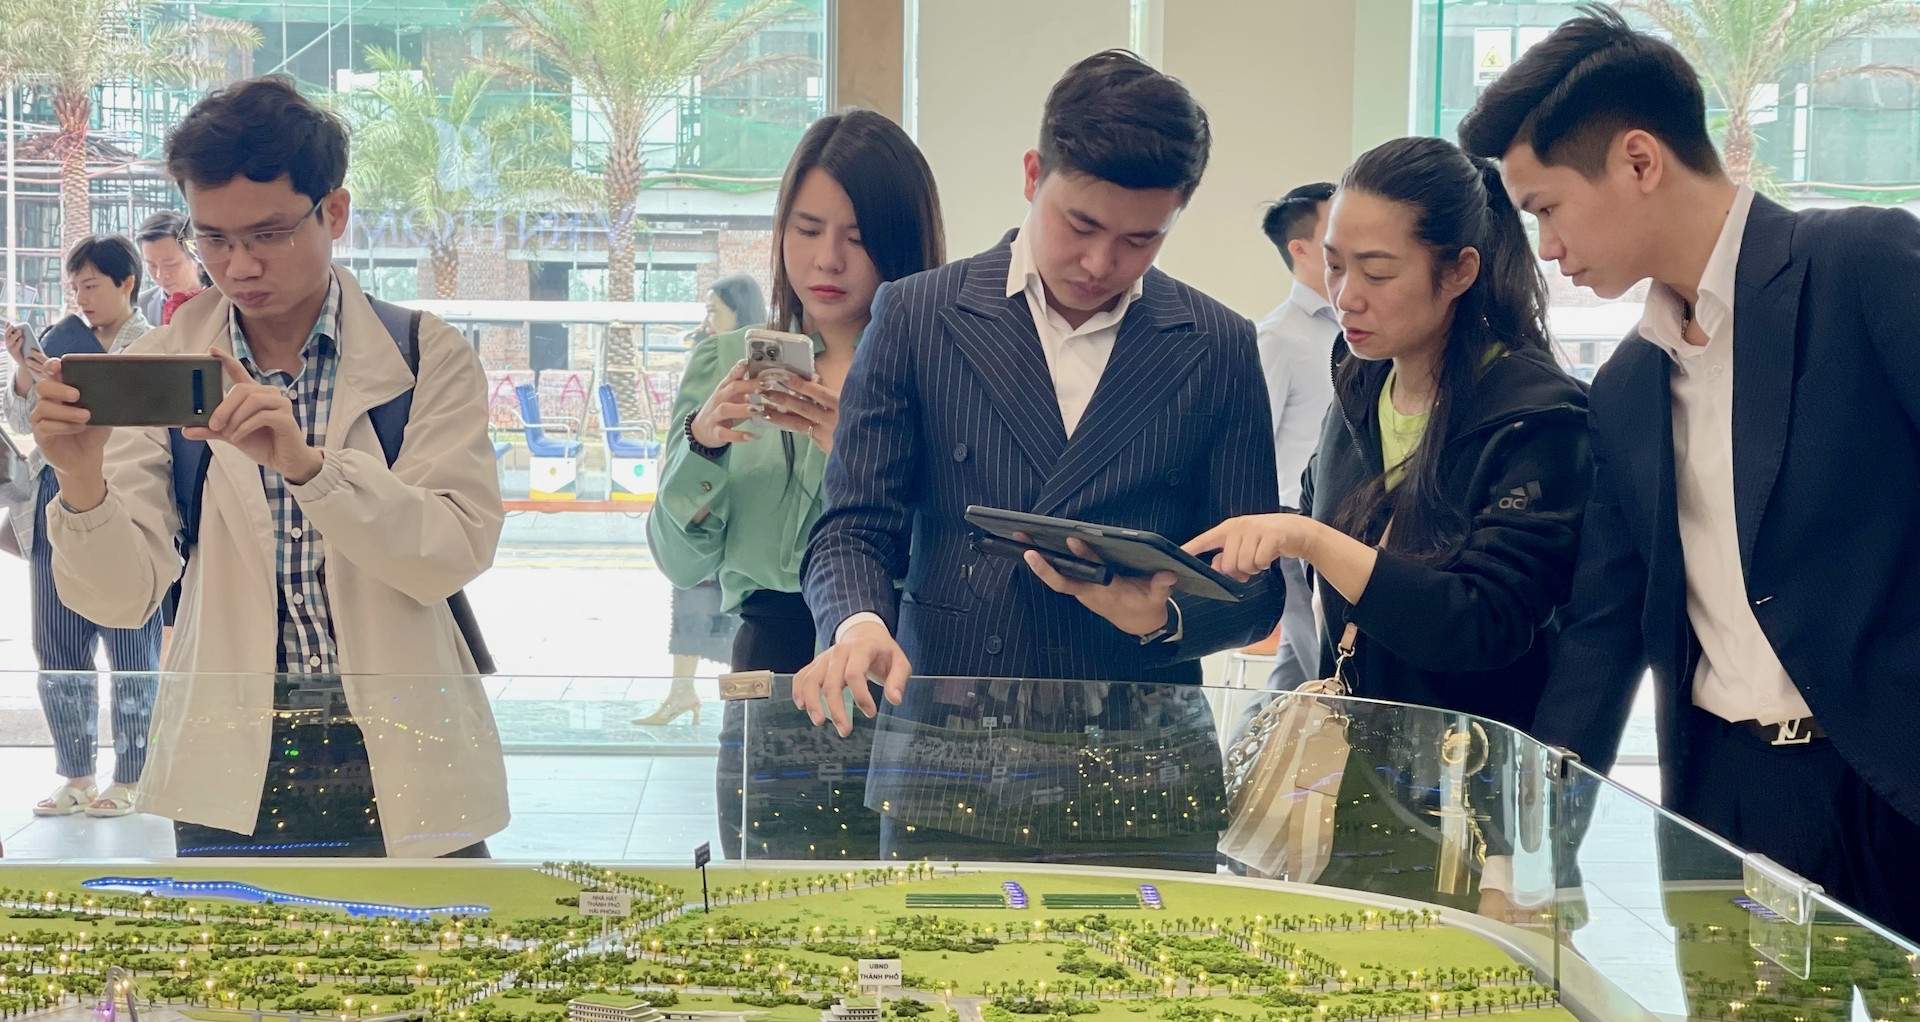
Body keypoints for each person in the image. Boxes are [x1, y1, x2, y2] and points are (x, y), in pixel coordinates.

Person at [1460, 4, 1920, 936]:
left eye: (1546, 207)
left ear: (1639, 161)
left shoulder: (1859, 266)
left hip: (1898, 783)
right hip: (1734, 802)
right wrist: (1534, 847)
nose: (1545, 247)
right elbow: (1603, 630)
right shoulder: (1628, 384)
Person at [795, 50, 1285, 870]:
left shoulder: (1217, 344)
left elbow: (1255, 589)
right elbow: (851, 526)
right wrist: (860, 622)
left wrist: (1159, 617)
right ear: (1033, 175)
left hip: (1143, 774)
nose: (1100, 264)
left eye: (1140, 240)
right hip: (948, 760)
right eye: (1080, 226)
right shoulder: (918, 316)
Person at [27, 76, 506, 859]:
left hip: (408, 746)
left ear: (334, 212)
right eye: (213, 238)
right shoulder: (166, 363)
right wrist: (82, 484)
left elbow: (451, 552)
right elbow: (119, 598)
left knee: (431, 939)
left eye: (269, 234)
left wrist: (310, 469)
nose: (238, 264)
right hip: (230, 758)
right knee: (238, 941)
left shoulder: (425, 356)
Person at [1184, 136, 1590, 913]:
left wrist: (1309, 538)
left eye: (1376, 272)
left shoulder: (1535, 418)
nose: (1347, 297)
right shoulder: (1359, 388)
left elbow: (1480, 624)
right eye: (1334, 266)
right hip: (1351, 803)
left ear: (1459, 271)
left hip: (1482, 826)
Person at [647, 110, 944, 858]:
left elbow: (960, 548)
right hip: (767, 660)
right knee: (770, 900)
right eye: (807, 229)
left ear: (902, 241)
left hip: (894, 663)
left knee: (900, 904)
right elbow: (680, 562)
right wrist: (702, 446)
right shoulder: (724, 364)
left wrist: (861, 455)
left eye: (858, 237)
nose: (828, 259)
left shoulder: (938, 371)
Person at [2, 236, 161, 820]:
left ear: (127, 283)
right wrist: (25, 375)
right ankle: (76, 773)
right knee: (57, 645)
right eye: (75, 287)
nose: (82, 298)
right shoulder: (59, 340)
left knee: (132, 645)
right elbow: (23, 422)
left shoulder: (154, 345)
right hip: (55, 497)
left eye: (92, 285)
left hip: (127, 496)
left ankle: (134, 774)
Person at [639, 274, 766, 728]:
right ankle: (682, 690)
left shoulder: (761, 368)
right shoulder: (710, 356)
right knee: (691, 601)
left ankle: (685, 692)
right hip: (699, 519)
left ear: (739, 311)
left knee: (709, 614)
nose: (707, 318)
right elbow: (684, 439)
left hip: (742, 553)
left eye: (714, 310)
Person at [1254, 181, 1339, 689]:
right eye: (1335, 229)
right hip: (1293, 524)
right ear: (1301, 249)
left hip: (1335, 524)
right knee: (1323, 672)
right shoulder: (1278, 336)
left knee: (1292, 673)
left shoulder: (1350, 327)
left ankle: (1250, 744)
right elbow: (1254, 440)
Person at [135, 210, 210, 327]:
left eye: (170, 264)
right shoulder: (139, 307)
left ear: (196, 254)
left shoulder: (225, 303)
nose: (160, 275)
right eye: (152, 265)